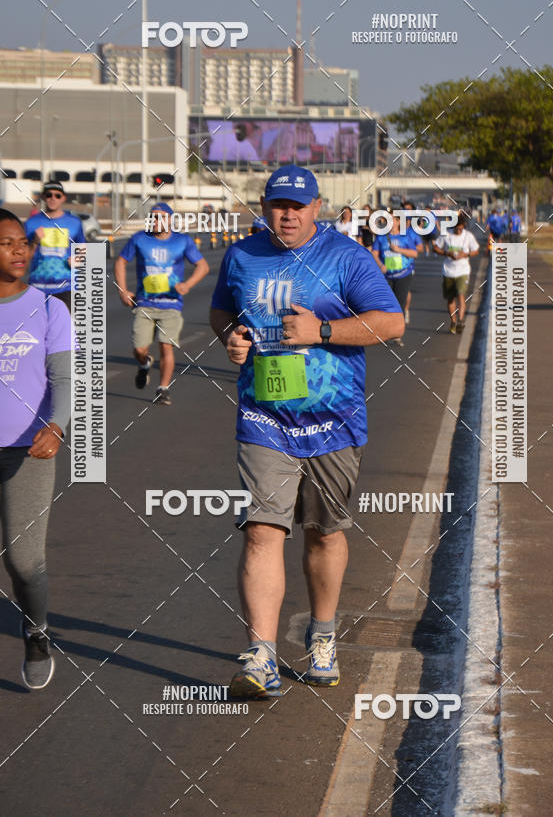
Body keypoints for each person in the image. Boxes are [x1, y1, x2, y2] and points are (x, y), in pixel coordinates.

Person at [209, 164, 404, 698]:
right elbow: (222, 309)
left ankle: (322, 635)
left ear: (316, 207)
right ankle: (261, 657)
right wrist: (232, 339)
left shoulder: (346, 257)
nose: (287, 215)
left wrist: (321, 330)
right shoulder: (243, 254)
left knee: (323, 533)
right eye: (277, 205)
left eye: (297, 206)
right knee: (262, 528)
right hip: (262, 416)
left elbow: (391, 324)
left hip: (332, 421)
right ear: (264, 206)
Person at [0, 208, 71, 689]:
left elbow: (65, 378)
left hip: (27, 449)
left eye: (23, 242)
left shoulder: (49, 309)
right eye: (8, 243)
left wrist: (58, 424)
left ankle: (37, 630)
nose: (21, 250)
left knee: (24, 561)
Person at [114, 202, 209, 405]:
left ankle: (162, 388)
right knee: (140, 349)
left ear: (169, 219)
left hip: (171, 303)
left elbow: (202, 266)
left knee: (166, 346)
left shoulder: (182, 241)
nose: (155, 221)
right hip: (144, 303)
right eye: (153, 217)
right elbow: (120, 261)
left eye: (160, 217)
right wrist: (123, 290)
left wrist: (188, 284)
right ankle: (145, 363)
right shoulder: (140, 239)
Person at [25, 180, 86, 311]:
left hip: (65, 286)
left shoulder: (74, 223)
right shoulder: (31, 223)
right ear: (43, 197)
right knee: (38, 330)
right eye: (49, 195)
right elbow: (24, 258)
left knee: (62, 329)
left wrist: (77, 260)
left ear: (63, 198)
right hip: (37, 286)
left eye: (57, 195)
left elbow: (82, 249)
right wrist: (35, 241)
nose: (53, 198)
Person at [373, 215, 420, 344]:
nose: (390, 222)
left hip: (403, 275)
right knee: (386, 304)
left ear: (398, 222)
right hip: (387, 275)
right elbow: (374, 253)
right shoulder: (381, 237)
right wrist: (380, 265)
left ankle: (397, 333)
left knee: (400, 303)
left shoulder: (405, 237)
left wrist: (399, 249)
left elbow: (415, 253)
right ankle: (386, 331)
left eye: (393, 219)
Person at [433, 211, 479, 334]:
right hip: (448, 271)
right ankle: (453, 321)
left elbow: (476, 250)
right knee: (450, 299)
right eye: (457, 229)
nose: (459, 231)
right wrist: (446, 253)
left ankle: (460, 320)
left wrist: (466, 254)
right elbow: (436, 247)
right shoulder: (446, 236)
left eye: (461, 228)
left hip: (463, 271)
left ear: (464, 226)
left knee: (461, 295)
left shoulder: (468, 236)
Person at [399, 203, 423, 324]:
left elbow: (420, 248)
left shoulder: (412, 232)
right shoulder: (392, 231)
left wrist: (407, 249)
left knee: (405, 291)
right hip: (391, 268)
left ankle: (405, 310)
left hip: (407, 267)